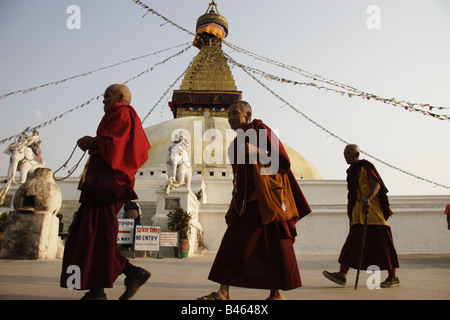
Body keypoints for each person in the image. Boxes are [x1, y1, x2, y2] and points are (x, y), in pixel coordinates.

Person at [198, 101, 311, 300]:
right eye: (229, 115)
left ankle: (276, 293)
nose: (230, 118)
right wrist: (232, 206)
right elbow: (238, 180)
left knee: (275, 247)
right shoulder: (235, 145)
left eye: (235, 113)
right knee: (230, 245)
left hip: (267, 201)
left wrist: (259, 152)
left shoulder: (261, 131)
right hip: (245, 204)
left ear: (247, 115)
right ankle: (223, 292)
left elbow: (283, 162)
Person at [60, 84, 151, 300]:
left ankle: (125, 276)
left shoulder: (122, 113)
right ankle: (99, 289)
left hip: (107, 185)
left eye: (107, 96)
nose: (104, 101)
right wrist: (96, 143)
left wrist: (93, 141)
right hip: (100, 186)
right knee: (90, 237)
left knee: (96, 236)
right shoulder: (115, 115)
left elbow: (119, 145)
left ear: (120, 97)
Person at [323, 144, 400, 288]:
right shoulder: (351, 171)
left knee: (382, 244)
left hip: (372, 212)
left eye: (348, 153)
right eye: (344, 153)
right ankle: (342, 274)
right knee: (353, 243)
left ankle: (393, 276)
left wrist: (367, 199)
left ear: (356, 154)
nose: (345, 156)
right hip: (358, 212)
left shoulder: (365, 166)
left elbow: (376, 185)